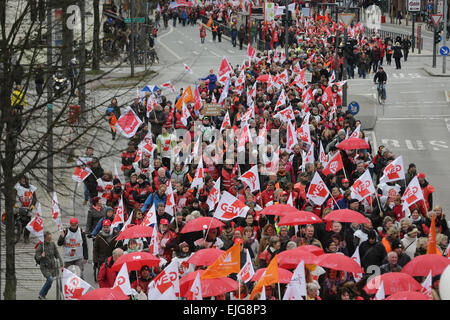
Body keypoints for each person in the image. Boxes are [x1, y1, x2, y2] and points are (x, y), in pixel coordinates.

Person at [35, 231, 64, 300]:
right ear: (44, 238)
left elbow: (57, 254)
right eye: (48, 238)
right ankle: (41, 293)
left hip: (52, 266)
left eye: (50, 238)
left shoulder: (52, 244)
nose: (49, 239)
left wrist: (61, 263)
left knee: (50, 282)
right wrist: (41, 256)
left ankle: (43, 295)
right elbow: (36, 257)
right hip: (44, 267)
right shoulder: (41, 245)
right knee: (50, 279)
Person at [13, 175, 37, 243]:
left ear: (26, 180)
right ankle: (16, 233)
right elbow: (13, 196)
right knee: (16, 220)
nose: (23, 180)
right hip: (18, 207)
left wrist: (32, 206)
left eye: (24, 179)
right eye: (21, 179)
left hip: (28, 208)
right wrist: (14, 204)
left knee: (28, 223)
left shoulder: (31, 188)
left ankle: (26, 237)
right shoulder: (17, 187)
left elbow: (34, 198)